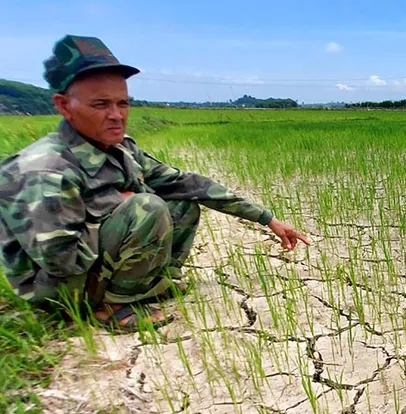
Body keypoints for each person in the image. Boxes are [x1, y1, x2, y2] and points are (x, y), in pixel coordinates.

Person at [0, 35, 309, 331]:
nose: (116, 115)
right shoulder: (45, 170)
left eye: (122, 103)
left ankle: (152, 285)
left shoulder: (120, 149)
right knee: (146, 206)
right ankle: (113, 307)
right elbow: (62, 262)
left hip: (88, 268)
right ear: (64, 106)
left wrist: (267, 219)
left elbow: (188, 184)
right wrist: (116, 203)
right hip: (58, 291)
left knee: (181, 202)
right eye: (100, 105)